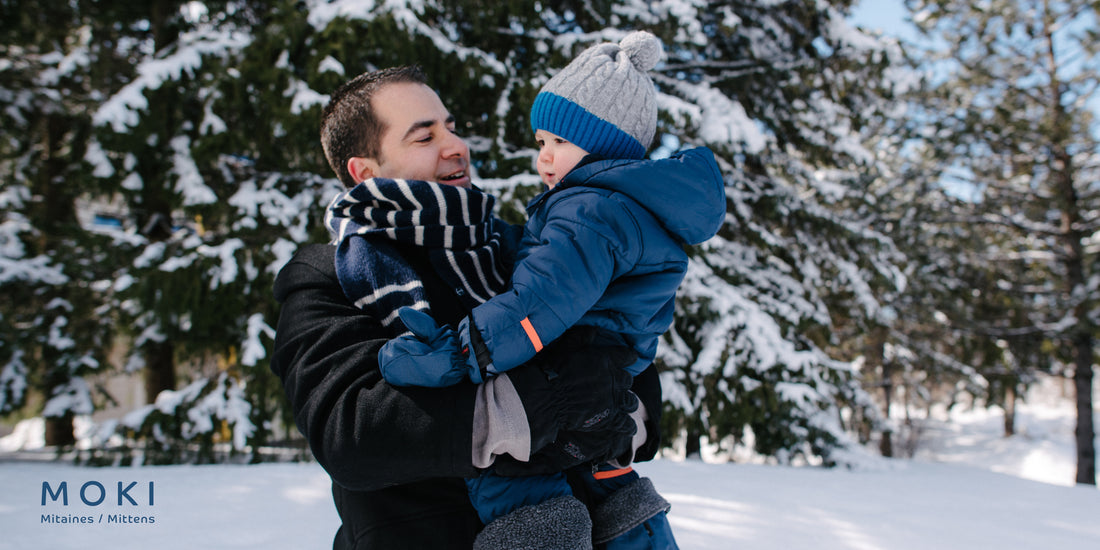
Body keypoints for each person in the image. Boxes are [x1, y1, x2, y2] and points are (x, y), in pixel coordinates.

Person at [271, 65, 664, 549]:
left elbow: (628, 356)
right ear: (365, 171)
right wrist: (540, 408)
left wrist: (613, 421)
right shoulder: (328, 275)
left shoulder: (521, 247)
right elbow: (350, 434)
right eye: (425, 137)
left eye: (451, 127)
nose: (456, 145)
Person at [376, 32, 726, 549]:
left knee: (510, 478)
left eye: (559, 143)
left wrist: (457, 352)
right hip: (603, 369)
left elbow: (538, 304)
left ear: (604, 145)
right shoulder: (615, 206)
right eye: (541, 142)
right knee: (610, 487)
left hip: (569, 359)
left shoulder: (588, 212)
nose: (544, 158)